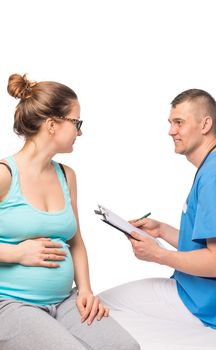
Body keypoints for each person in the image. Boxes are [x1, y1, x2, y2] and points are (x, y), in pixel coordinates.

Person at [0, 73, 140, 350]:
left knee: (127, 348)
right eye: (77, 122)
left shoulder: (67, 175)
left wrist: (85, 290)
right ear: (52, 125)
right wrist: (17, 253)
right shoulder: (4, 175)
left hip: (65, 300)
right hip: (11, 303)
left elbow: (75, 242)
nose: (80, 131)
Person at [99, 89, 216, 348]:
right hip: (197, 293)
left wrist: (157, 255)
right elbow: (207, 243)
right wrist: (161, 230)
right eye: (170, 123)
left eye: (179, 122)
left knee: (100, 307)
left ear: (205, 124)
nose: (171, 131)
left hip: (206, 305)